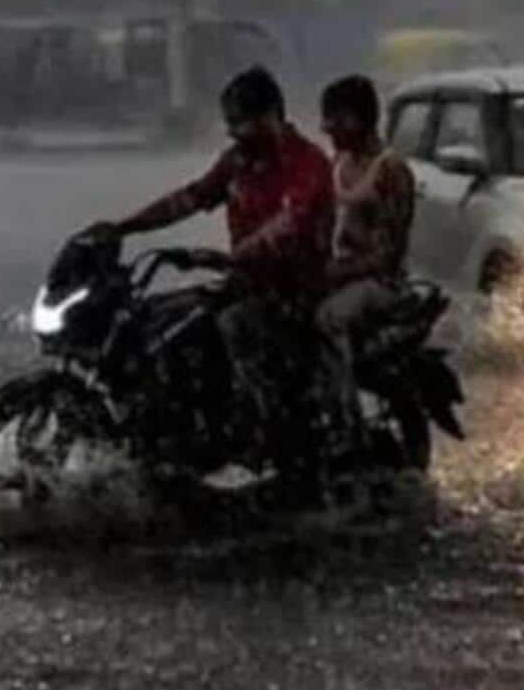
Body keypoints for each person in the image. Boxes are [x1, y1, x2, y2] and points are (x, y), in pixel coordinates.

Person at [84, 65, 333, 459]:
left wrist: (235, 256)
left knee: (235, 326)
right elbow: (190, 198)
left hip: (295, 291)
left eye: (243, 123)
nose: (235, 133)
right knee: (157, 319)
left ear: (272, 115)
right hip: (243, 283)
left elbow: (291, 222)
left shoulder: (307, 162)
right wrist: (125, 227)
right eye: (231, 124)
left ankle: (273, 429)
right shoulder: (237, 162)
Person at [314, 75, 417, 429]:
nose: (328, 128)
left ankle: (345, 421)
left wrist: (333, 272)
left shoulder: (391, 170)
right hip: (337, 274)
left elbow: (387, 254)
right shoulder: (337, 163)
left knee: (328, 319)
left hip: (379, 283)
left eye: (336, 119)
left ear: (361, 118)